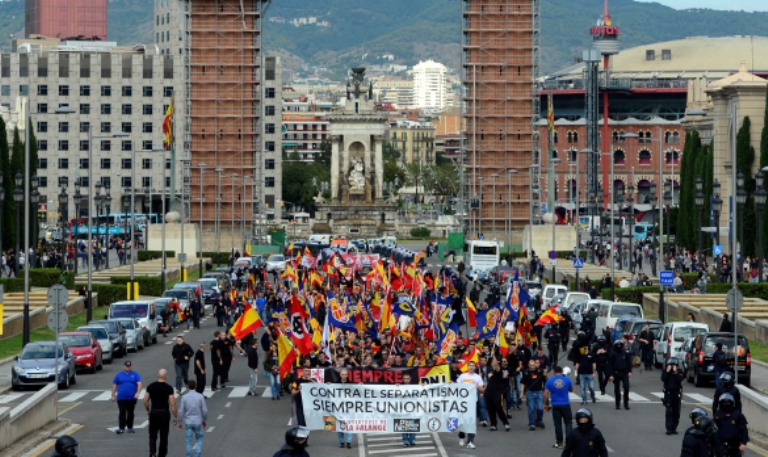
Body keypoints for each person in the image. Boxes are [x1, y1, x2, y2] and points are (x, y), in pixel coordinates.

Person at [143, 369, 177, 457]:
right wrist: (175, 416)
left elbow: (145, 401)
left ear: (158, 375)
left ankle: (152, 453)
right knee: (164, 436)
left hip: (154, 412)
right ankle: (162, 454)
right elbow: (172, 404)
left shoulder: (151, 386)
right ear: (166, 377)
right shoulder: (168, 388)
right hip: (164, 413)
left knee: (152, 435)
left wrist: (148, 410)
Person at [456, 360, 484, 449]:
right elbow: (456, 387)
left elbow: (482, 390)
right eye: (470, 365)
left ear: (475, 367)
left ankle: (470, 442)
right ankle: (461, 436)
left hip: (472, 403)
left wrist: (477, 387)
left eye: (473, 365)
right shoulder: (462, 376)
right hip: (462, 403)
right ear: (467, 367)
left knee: (471, 423)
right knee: (462, 422)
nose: (471, 367)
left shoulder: (478, 377)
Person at [544, 366, 573, 449]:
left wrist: (546, 404)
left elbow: (545, 394)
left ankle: (559, 443)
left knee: (557, 424)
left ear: (554, 372)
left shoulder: (550, 381)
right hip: (565, 404)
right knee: (568, 423)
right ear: (562, 371)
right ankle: (569, 443)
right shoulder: (567, 379)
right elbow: (571, 390)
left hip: (555, 404)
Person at [178, 379, 208, 457]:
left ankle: (189, 455)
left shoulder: (184, 397)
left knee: (188, 440)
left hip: (188, 421)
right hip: (198, 421)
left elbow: (181, 411)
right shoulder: (200, 396)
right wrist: (204, 420)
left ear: (188, 387)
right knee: (200, 438)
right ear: (196, 386)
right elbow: (204, 410)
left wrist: (180, 421)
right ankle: (197, 454)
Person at [111, 360, 143, 434]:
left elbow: (139, 384)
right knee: (122, 412)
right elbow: (115, 385)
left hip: (132, 397)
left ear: (131, 366)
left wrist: (138, 392)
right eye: (126, 366)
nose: (128, 368)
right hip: (121, 397)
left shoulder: (135, 374)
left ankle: (130, 427)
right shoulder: (119, 375)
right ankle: (121, 427)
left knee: (131, 412)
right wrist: (113, 395)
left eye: (129, 366)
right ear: (124, 366)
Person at [484, 358, 511, 432]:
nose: (494, 362)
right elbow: (488, 380)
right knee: (490, 409)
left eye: (494, 361)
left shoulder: (502, 370)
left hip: (498, 392)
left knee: (499, 408)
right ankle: (493, 425)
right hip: (489, 391)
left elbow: (505, 380)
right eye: (492, 361)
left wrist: (494, 355)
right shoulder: (489, 370)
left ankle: (505, 423)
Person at [521, 358, 547, 431]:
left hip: (539, 392)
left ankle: (539, 420)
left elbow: (546, 380)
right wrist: (522, 393)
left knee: (540, 408)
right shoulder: (526, 372)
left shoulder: (540, 371)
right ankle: (532, 423)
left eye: (533, 365)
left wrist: (545, 375)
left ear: (535, 365)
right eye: (530, 365)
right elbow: (523, 383)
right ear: (528, 365)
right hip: (530, 392)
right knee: (531, 409)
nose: (532, 366)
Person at [661, 357, 685, 435]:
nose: (671, 367)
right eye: (670, 365)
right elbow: (663, 378)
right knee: (669, 412)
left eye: (673, 365)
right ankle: (668, 429)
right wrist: (667, 371)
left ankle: (674, 428)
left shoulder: (679, 372)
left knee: (676, 412)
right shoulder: (665, 371)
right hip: (668, 394)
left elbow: (680, 379)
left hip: (676, 394)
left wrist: (675, 372)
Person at [606, 339, 632, 410]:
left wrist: (629, 371)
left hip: (624, 372)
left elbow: (628, 363)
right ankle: (617, 404)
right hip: (616, 373)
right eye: (617, 345)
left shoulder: (625, 353)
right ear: (615, 345)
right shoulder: (612, 353)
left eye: (620, 345)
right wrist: (610, 375)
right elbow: (609, 365)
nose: (619, 346)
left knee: (626, 387)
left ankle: (626, 403)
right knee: (617, 389)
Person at [336, 369, 354, 448]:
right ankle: (341, 442)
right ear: (340, 375)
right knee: (340, 425)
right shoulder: (335, 383)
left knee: (349, 424)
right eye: (342, 374)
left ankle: (349, 442)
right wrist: (328, 385)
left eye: (345, 375)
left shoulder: (351, 384)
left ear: (347, 375)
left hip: (348, 408)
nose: (344, 376)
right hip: (338, 408)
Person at [400, 372, 417, 446]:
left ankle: (412, 440)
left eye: (408, 379)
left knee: (413, 424)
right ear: (403, 379)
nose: (406, 380)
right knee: (404, 425)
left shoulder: (415, 386)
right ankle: (405, 441)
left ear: (410, 379)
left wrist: (423, 386)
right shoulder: (399, 387)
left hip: (413, 408)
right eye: (405, 379)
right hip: (403, 409)